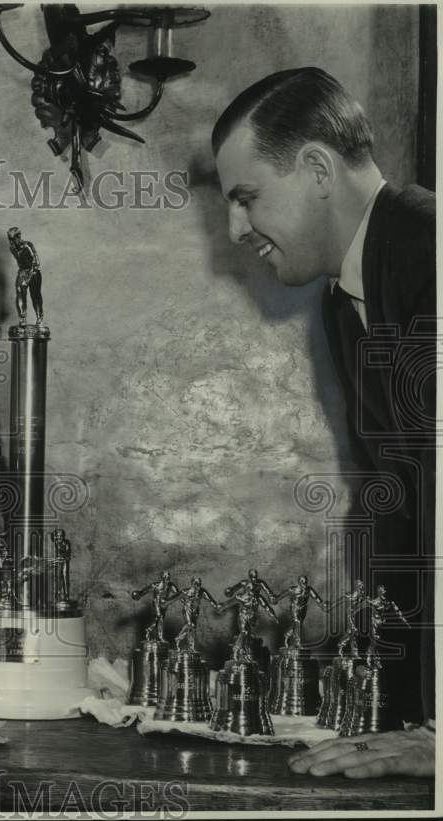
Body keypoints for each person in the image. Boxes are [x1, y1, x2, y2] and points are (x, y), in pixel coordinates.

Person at [212, 67, 435, 777]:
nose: (235, 230)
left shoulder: (432, 250)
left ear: (315, 169)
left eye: (246, 198)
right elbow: (406, 506)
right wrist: (399, 714)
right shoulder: (348, 295)